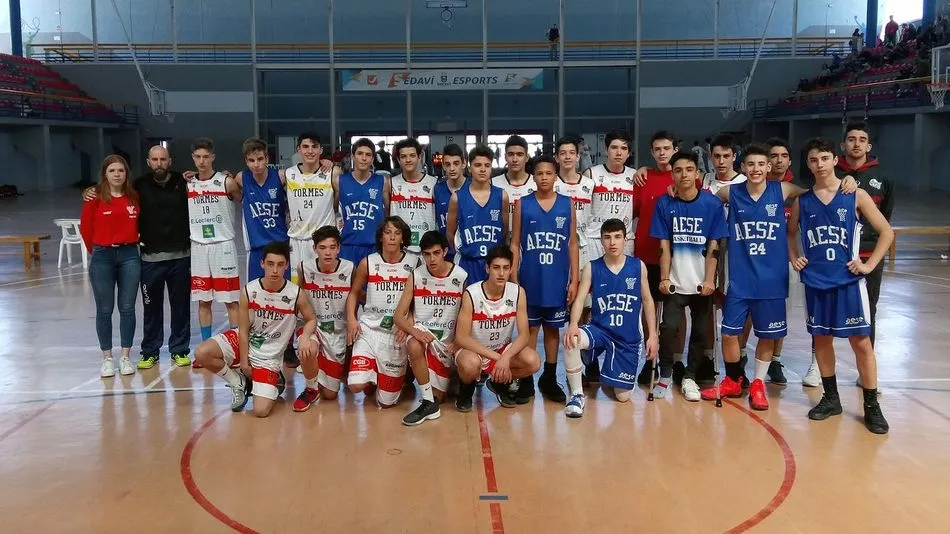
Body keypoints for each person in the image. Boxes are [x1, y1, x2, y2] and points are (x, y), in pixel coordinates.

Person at [699, 143, 854, 409]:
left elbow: (817, 191)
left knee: (767, 336)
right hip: (740, 278)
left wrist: (847, 180)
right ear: (743, 168)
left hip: (772, 279)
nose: (756, 169)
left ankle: (758, 383)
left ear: (769, 167)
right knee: (728, 334)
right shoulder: (730, 192)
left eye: (761, 164)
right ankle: (734, 379)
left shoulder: (782, 190)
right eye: (751, 165)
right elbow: (698, 198)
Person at [788, 137, 893, 434]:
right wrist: (795, 257)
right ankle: (831, 398)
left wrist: (869, 265)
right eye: (813, 160)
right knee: (821, 341)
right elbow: (790, 232)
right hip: (816, 281)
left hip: (848, 281)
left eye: (824, 158)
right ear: (808, 164)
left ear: (835, 160)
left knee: (861, 343)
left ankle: (872, 405)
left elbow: (886, 232)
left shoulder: (854, 195)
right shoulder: (802, 201)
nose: (819, 164)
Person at [193, 241, 318, 417]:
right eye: (270, 264)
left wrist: (305, 336)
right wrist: (244, 363)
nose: (275, 270)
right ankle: (238, 381)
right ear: (262, 264)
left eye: (280, 265)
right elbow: (243, 330)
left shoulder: (295, 293)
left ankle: (276, 379)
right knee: (202, 353)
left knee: (260, 411)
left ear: (287, 265)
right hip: (247, 340)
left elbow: (311, 319)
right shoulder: (249, 290)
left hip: (268, 356)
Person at [648, 151, 728, 400]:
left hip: (701, 282)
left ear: (697, 173)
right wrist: (663, 278)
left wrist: (709, 281)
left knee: (701, 331)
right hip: (675, 282)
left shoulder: (712, 204)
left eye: (689, 169)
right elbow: (664, 245)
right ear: (672, 174)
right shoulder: (665, 203)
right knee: (669, 327)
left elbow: (714, 246)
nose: (684, 175)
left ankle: (690, 377)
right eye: (679, 170)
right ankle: (665, 374)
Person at [562, 218, 659, 416]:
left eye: (617, 237)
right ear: (601, 240)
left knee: (622, 397)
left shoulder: (638, 266)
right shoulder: (592, 267)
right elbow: (580, 299)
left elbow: (648, 301)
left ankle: (608, 371)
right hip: (600, 330)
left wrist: (653, 336)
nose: (612, 242)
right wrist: (573, 324)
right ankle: (577, 395)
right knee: (571, 338)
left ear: (626, 239)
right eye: (607, 238)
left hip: (627, 339)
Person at [510, 154, 579, 403]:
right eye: (539, 173)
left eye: (549, 173)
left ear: (555, 175)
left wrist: (574, 280)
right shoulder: (523, 204)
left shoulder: (567, 204)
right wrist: (513, 275)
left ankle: (549, 377)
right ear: (534, 176)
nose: (544, 178)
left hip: (557, 279)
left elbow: (573, 244)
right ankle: (527, 379)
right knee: (529, 329)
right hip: (530, 278)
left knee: (553, 329)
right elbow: (515, 243)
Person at [835, 122, 894, 389]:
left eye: (862, 140)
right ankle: (817, 365)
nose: (856, 144)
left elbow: (885, 220)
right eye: (851, 139)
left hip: (869, 257)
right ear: (843, 145)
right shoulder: (831, 174)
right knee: (826, 310)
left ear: (868, 146)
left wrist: (871, 260)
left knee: (868, 312)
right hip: (836, 255)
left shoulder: (883, 177)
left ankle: (866, 372)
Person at [453, 246, 542, 410]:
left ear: (510, 270)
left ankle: (498, 382)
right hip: (475, 351)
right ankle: (466, 390)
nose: (501, 273)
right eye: (496, 267)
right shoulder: (471, 294)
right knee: (470, 364)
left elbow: (524, 335)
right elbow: (462, 338)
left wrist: (506, 357)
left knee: (533, 362)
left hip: (501, 349)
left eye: (506, 268)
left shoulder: (517, 292)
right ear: (487, 268)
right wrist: (497, 358)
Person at [395, 231, 468, 425]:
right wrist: (414, 331)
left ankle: (453, 378)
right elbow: (398, 316)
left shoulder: (461, 276)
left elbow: (467, 316)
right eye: (427, 254)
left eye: (436, 253)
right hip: (426, 338)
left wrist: (458, 341)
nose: (432, 258)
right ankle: (428, 402)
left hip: (449, 343)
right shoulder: (416, 276)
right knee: (414, 345)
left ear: (445, 251)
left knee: (446, 393)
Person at [345, 216, 416, 407]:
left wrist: (408, 323)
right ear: (381, 237)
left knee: (385, 403)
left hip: (396, 334)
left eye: (397, 233)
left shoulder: (414, 263)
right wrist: (352, 320)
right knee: (355, 385)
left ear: (403, 238)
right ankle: (371, 373)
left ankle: (397, 374)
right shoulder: (367, 262)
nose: (392, 237)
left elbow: (418, 301)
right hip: (370, 329)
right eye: (388, 233)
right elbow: (353, 294)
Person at [80, 155, 141, 378]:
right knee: (104, 310)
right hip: (102, 256)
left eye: (121, 171)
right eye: (112, 170)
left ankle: (125, 356)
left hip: (129, 256)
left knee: (127, 308)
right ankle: (107, 358)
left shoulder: (134, 197)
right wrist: (96, 252)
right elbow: (86, 228)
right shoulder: (94, 198)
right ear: (104, 173)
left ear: (126, 174)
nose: (117, 174)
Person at [132, 146, 192, 369]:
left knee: (180, 306)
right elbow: (113, 190)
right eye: (155, 159)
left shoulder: (183, 182)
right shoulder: (138, 185)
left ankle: (179, 349)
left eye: (163, 159)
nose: (159, 163)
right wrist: (90, 191)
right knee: (151, 308)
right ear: (148, 162)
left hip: (180, 257)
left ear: (170, 160)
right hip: (150, 259)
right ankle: (150, 351)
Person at [186, 138, 242, 362]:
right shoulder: (189, 184)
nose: (201, 161)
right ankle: (205, 349)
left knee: (230, 301)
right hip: (199, 248)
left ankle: (237, 348)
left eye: (205, 156)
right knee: (203, 301)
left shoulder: (226, 182)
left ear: (213, 157)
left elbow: (245, 200)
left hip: (223, 246)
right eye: (198, 157)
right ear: (193, 158)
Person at [293, 226, 353, 411]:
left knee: (330, 395)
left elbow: (356, 296)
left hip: (337, 332)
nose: (328, 252)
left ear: (339, 248)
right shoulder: (304, 267)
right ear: (314, 249)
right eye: (322, 247)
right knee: (307, 346)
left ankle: (320, 374)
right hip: (313, 327)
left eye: (332, 247)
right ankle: (310, 389)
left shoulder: (349, 268)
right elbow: (298, 298)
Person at [447, 145, 510, 284]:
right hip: (467, 262)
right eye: (477, 165)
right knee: (467, 304)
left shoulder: (502, 195)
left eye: (487, 165)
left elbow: (504, 231)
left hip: (493, 264)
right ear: (469, 169)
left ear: (491, 168)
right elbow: (450, 233)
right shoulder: (457, 197)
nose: (482, 169)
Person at [286, 132, 338, 285]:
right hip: (297, 240)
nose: (310, 151)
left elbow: (337, 202)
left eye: (314, 147)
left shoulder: (332, 173)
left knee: (323, 286)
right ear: (298, 150)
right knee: (298, 287)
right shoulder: (287, 174)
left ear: (321, 150)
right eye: (306, 146)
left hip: (322, 241)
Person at [237, 137, 291, 281]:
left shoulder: (281, 176)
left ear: (267, 158)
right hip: (256, 248)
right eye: (251, 160)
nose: (256, 164)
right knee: (255, 297)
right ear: (246, 161)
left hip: (280, 244)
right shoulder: (242, 178)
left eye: (260, 159)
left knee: (285, 293)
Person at [337, 138, 390, 267]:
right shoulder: (339, 181)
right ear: (353, 157)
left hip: (374, 245)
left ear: (372, 159)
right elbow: (333, 211)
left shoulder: (383, 182)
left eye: (368, 155)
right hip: (348, 245)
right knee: (349, 286)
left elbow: (389, 212)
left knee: (372, 287)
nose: (364, 158)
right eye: (360, 154)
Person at [390, 137, 438, 253]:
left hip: (426, 248)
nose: (408, 160)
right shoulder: (391, 183)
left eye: (412, 155)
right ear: (398, 159)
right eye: (403, 156)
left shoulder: (434, 183)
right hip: (400, 249)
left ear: (419, 157)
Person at [491, 135, 536, 233]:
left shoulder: (536, 183)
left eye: (519, 154)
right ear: (505, 157)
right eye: (511, 154)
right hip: (501, 243)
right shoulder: (493, 183)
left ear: (527, 157)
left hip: (529, 241)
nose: (515, 159)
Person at [433, 143, 469, 262]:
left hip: (468, 254)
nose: (452, 168)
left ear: (463, 163)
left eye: (456, 163)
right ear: (443, 166)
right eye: (448, 164)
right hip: (445, 254)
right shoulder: (436, 189)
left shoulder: (473, 188)